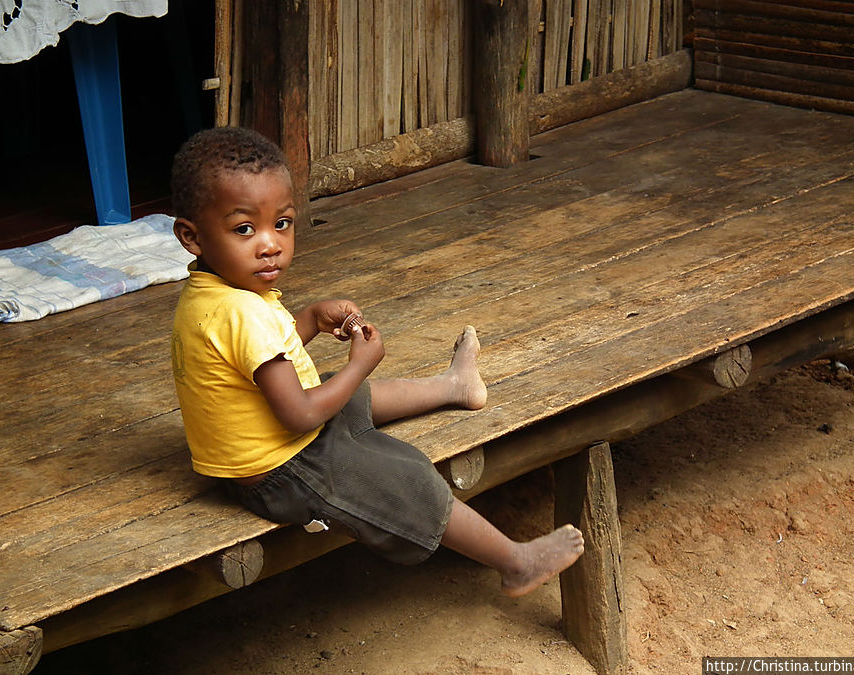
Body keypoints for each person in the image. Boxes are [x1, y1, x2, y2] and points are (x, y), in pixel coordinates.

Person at [169, 126, 584, 597]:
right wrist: (359, 365)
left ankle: (454, 385)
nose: (270, 244)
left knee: (341, 392)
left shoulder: (212, 293)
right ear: (192, 236)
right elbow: (300, 414)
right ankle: (515, 562)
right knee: (403, 477)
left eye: (282, 223)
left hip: (252, 454)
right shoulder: (240, 310)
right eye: (245, 229)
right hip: (283, 473)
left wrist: (310, 318)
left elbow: (254, 360)